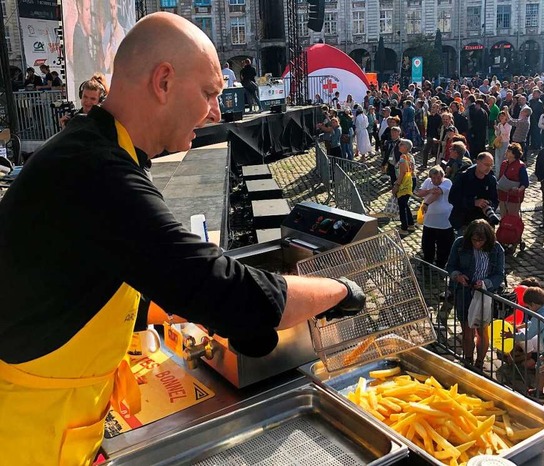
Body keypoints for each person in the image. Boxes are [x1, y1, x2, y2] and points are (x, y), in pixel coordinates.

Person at [0, 13, 366, 465]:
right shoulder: (97, 172)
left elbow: (91, 284)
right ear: (164, 82)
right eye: (210, 93)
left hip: (60, 424)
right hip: (27, 436)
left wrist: (179, 308)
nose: (217, 110)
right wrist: (342, 289)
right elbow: (222, 288)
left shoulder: (92, 150)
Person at [446, 219, 505, 371]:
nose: (477, 244)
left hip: (484, 295)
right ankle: (467, 358)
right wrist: (457, 275)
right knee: (466, 328)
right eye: (474, 240)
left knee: (482, 329)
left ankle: (479, 361)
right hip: (464, 293)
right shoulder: (460, 244)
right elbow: (451, 265)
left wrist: (486, 283)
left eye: (481, 241)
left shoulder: (496, 249)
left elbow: (499, 274)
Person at [448, 152, 499, 233]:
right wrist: (473, 202)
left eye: (491, 165)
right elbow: (452, 198)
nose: (489, 168)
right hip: (464, 222)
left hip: (484, 222)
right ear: (478, 162)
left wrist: (488, 205)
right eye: (486, 164)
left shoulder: (491, 179)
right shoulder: (463, 177)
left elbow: (495, 200)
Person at [415, 165, 454, 268]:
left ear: (443, 176)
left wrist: (426, 203)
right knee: (427, 243)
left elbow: (437, 193)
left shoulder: (447, 182)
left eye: (438, 178)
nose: (436, 180)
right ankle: (427, 261)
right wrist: (428, 191)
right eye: (434, 178)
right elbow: (419, 193)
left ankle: (441, 264)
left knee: (444, 245)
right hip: (429, 220)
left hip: (443, 221)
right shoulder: (428, 181)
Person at [497, 143, 529, 216]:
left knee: (512, 218)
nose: (506, 152)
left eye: (508, 151)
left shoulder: (520, 166)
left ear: (514, 154)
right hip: (502, 195)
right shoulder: (504, 163)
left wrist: (518, 190)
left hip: (514, 197)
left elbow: (525, 183)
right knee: (503, 217)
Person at [392, 139, 416, 235]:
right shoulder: (410, 156)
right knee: (405, 203)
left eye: (401, 144)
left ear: (406, 147)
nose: (399, 146)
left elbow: (402, 173)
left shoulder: (402, 157)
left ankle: (404, 228)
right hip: (412, 180)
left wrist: (397, 185)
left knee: (402, 204)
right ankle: (411, 224)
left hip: (405, 182)